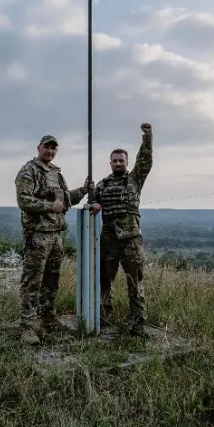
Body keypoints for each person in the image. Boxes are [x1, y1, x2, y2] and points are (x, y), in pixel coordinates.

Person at [15, 134, 92, 345]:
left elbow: (65, 199)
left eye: (53, 148)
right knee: (32, 281)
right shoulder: (28, 171)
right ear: (38, 147)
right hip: (38, 235)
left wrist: (83, 191)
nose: (50, 151)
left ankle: (48, 317)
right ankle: (28, 326)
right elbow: (24, 200)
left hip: (56, 235)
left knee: (51, 280)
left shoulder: (56, 173)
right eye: (46, 147)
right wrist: (49, 206)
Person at [90, 123, 153, 336]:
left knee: (135, 282)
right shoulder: (102, 185)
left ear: (126, 163)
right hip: (109, 240)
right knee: (104, 280)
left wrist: (147, 137)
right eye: (115, 161)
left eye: (121, 161)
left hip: (131, 239)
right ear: (110, 163)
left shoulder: (134, 179)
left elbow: (145, 161)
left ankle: (137, 323)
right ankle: (104, 317)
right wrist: (93, 204)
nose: (118, 163)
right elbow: (91, 204)